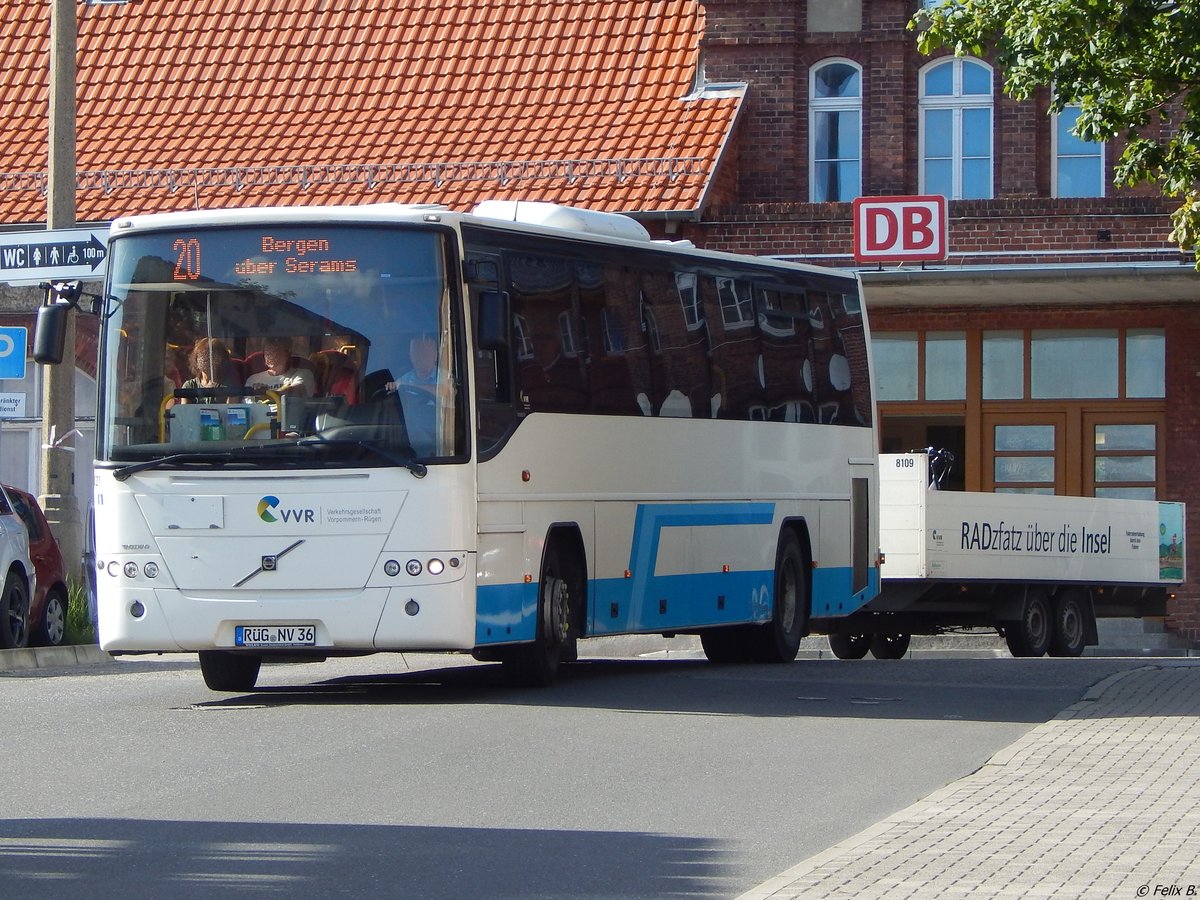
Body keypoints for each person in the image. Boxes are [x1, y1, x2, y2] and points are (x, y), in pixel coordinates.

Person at [245, 336, 315, 398]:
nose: (270, 356)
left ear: (287, 352)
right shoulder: (253, 380)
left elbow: (296, 392)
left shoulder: (303, 374)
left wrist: (266, 393)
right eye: (267, 351)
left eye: (276, 350)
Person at [179, 337, 240, 404]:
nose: (206, 358)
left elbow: (231, 412)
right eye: (201, 355)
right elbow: (185, 412)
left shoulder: (230, 386)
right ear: (196, 358)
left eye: (212, 355)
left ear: (221, 359)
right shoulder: (189, 386)